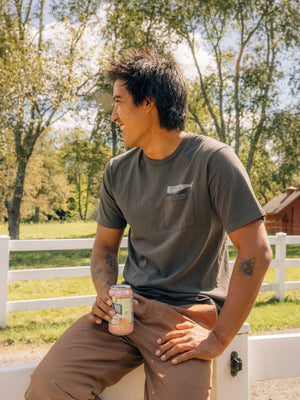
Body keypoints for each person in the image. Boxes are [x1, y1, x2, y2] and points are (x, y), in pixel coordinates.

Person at [25, 47, 272, 400]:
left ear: (148, 103)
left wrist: (218, 338)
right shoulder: (117, 171)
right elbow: (104, 249)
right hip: (128, 309)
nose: (114, 115)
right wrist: (106, 294)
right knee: (49, 385)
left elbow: (257, 252)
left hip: (188, 317)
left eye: (119, 102)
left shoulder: (215, 161)